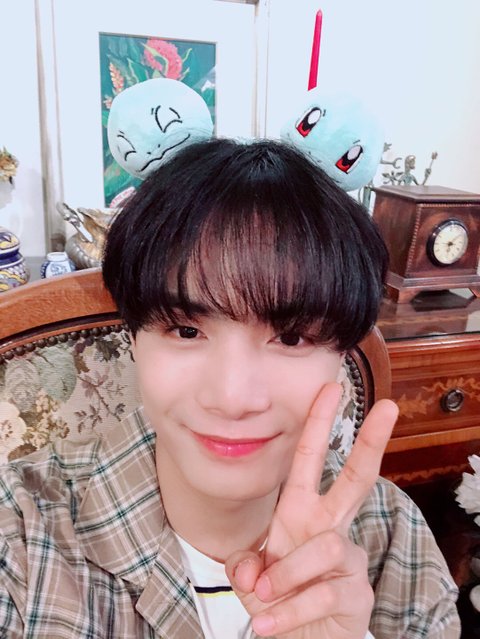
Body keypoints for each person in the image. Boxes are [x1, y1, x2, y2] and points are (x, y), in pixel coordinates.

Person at [0, 139, 459, 638]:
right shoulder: (19, 536)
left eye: (290, 337)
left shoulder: (394, 536)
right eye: (186, 331)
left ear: (340, 357)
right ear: (133, 339)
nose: (232, 398)